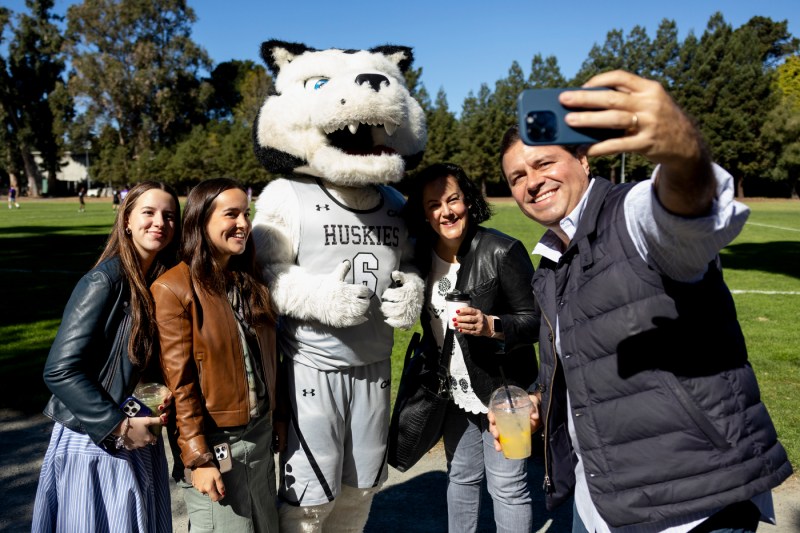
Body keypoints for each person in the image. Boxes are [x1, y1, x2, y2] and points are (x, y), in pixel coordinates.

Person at [494, 70, 793, 532]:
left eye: (544, 164)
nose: (531, 183)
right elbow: (579, 364)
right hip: (600, 504)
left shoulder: (629, 214)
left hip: (695, 507)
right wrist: (539, 402)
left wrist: (682, 151)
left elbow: (686, 216)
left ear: (583, 160)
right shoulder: (550, 265)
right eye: (517, 177)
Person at [32, 181, 180, 532]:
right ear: (127, 219)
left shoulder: (155, 282)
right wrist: (117, 426)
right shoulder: (105, 280)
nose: (160, 222)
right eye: (148, 212)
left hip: (135, 434)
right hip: (95, 437)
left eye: (170, 216)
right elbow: (60, 370)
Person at [401, 163, 539, 533]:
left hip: (507, 390)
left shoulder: (503, 251)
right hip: (454, 393)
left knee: (507, 487)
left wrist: (492, 326)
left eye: (453, 200)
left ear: (468, 201)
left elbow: (537, 321)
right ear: (424, 213)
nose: (446, 212)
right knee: (461, 477)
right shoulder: (417, 256)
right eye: (434, 205)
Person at [151, 178, 281, 532]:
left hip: (260, 437)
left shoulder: (248, 281)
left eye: (246, 213)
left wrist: (277, 419)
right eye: (231, 214)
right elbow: (181, 384)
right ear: (201, 220)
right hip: (218, 444)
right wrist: (197, 457)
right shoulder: (174, 289)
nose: (243, 223)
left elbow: (268, 361)